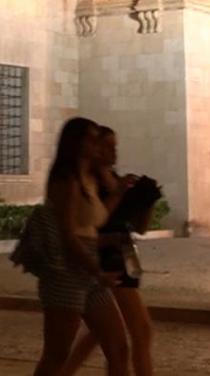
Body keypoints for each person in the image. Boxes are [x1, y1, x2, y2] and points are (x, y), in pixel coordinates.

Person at [33, 118, 130, 376]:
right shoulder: (67, 181)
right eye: (91, 139)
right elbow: (68, 235)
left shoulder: (90, 179)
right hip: (67, 272)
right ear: (75, 143)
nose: (97, 145)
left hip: (90, 269)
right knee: (56, 355)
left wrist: (118, 193)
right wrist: (96, 270)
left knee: (119, 347)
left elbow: (92, 225)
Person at [62, 127, 155, 376]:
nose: (112, 152)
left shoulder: (113, 179)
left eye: (114, 146)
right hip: (107, 258)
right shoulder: (89, 185)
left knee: (100, 334)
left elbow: (139, 227)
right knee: (140, 330)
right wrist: (119, 193)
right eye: (105, 146)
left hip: (124, 255)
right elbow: (93, 224)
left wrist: (146, 202)